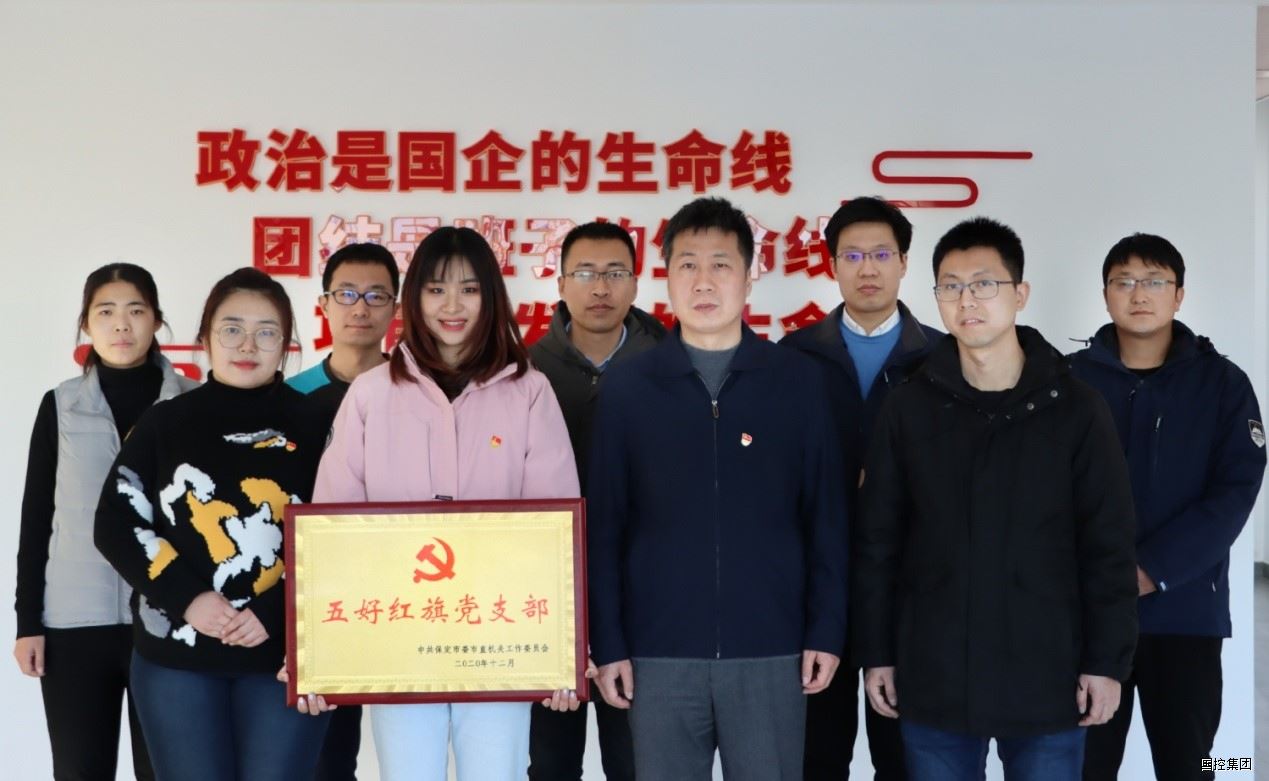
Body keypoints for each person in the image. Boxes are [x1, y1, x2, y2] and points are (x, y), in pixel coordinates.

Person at [856, 217, 1138, 780]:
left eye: (984, 284)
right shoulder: (908, 407)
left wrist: (1106, 662)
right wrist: (877, 652)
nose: (967, 300)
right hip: (934, 675)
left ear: (1020, 294)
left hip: (1049, 676)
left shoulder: (1076, 408)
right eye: (951, 286)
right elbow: (878, 541)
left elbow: (1107, 544)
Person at [587, 196, 848, 780]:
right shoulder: (628, 389)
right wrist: (610, 643)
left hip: (772, 648)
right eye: (687, 265)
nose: (703, 281)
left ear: (750, 277)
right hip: (657, 652)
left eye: (721, 265)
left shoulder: (797, 383)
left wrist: (826, 631)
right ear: (666, 278)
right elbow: (604, 528)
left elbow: (826, 518)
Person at [307, 226, 580, 781]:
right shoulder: (371, 393)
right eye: (435, 289)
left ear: (491, 296)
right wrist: (317, 650)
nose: (452, 306)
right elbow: (332, 529)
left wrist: (564, 649)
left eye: (469, 289)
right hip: (399, 634)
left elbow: (556, 529)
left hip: (500, 638)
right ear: (414, 299)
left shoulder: (530, 391)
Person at [94, 268, 331, 780]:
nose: (248, 344)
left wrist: (275, 612)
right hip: (176, 658)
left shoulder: (319, 425)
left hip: (286, 656)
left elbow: (343, 536)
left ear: (287, 344)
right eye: (232, 329)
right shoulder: (164, 422)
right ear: (204, 338)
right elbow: (116, 523)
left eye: (266, 331)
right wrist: (189, 599)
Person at [1070, 234, 1266, 781]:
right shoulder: (1068, 380)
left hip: (1186, 614)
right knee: (1083, 765)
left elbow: (1235, 491)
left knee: (1197, 762)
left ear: (1179, 295)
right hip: (1085, 615)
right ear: (1105, 294)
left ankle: (1235, 766)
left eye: (1155, 281)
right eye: (1124, 281)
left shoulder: (1223, 384)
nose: (1139, 294)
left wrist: (1151, 570)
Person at [14, 263, 197, 780]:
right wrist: (28, 623)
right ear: (86, 324)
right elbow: (36, 519)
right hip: (74, 626)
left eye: (136, 310)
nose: (122, 324)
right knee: (79, 771)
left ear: (157, 320)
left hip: (167, 619)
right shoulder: (61, 406)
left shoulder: (190, 403)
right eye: (106, 312)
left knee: (165, 771)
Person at [781, 196, 939, 779]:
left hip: (909, 583)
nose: (867, 268)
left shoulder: (939, 359)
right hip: (815, 580)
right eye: (852, 256)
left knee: (904, 755)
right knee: (817, 755)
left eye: (881, 255)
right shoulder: (795, 357)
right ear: (832, 266)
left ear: (904, 263)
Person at [526, 221, 663, 781]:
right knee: (550, 761)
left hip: (644, 594)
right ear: (560, 284)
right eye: (585, 274)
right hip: (545, 592)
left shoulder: (669, 366)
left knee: (635, 759)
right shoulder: (523, 371)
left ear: (636, 283)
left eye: (615, 273)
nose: (600, 288)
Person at [287, 241, 399, 781]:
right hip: (321, 594)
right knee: (325, 754)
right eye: (347, 294)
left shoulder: (417, 391)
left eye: (377, 295)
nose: (361, 308)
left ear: (396, 307)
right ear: (324, 304)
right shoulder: (291, 398)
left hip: (404, 586)